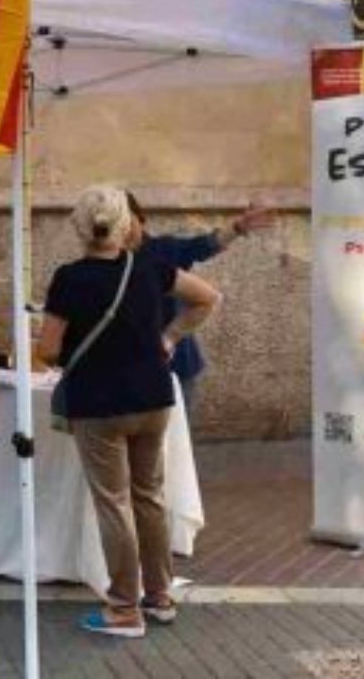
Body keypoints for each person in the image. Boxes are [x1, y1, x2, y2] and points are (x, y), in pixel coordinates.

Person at [38, 185, 222, 639]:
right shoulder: (151, 267)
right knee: (149, 496)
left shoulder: (68, 279)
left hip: (99, 402)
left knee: (114, 502)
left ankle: (123, 608)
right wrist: (169, 336)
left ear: (80, 225)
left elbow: (46, 348)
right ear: (125, 223)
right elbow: (207, 297)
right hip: (154, 396)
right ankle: (158, 596)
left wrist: (73, 357)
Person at [125, 192, 273, 416]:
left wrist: (239, 227)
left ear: (139, 217)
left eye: (127, 218)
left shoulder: (163, 249)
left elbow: (204, 245)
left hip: (175, 365)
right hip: (128, 368)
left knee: (177, 443)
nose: (122, 228)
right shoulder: (101, 264)